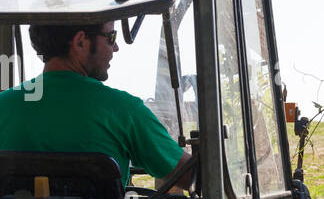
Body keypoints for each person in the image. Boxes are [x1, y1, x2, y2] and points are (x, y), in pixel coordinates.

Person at [0, 21, 194, 189]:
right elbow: (190, 176)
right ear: (80, 42)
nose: (116, 47)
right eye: (111, 37)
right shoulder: (125, 111)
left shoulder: (4, 105)